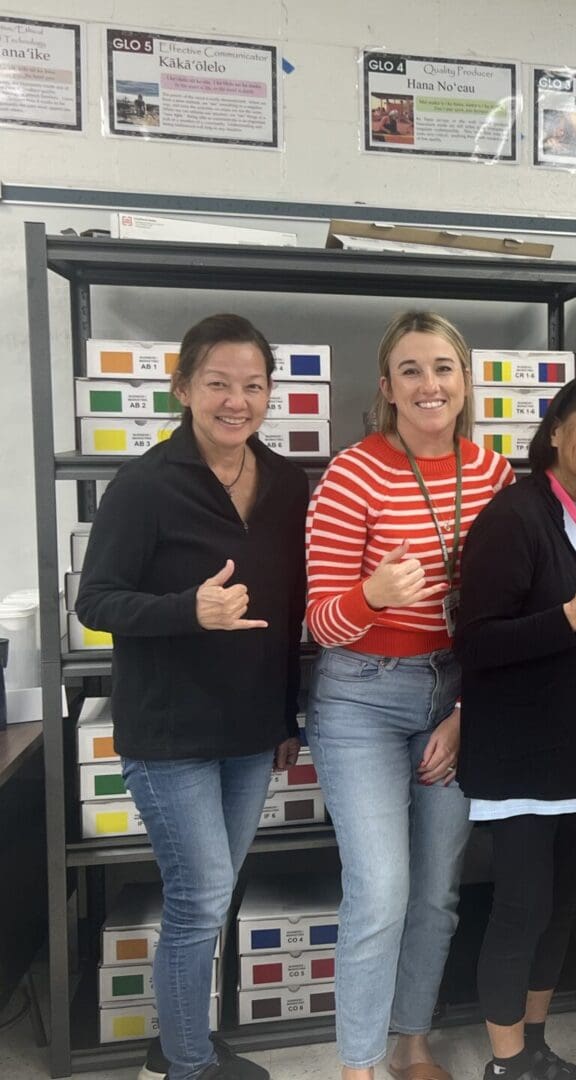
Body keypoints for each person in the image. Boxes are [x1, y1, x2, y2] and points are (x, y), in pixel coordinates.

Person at [76, 314, 308, 1080]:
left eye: (252, 385)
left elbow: (289, 608)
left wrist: (286, 718)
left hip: (248, 733)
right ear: (182, 389)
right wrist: (187, 609)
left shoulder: (284, 483)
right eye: (217, 384)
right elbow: (98, 602)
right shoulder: (144, 485)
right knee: (201, 896)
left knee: (211, 895)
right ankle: (184, 1063)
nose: (235, 401)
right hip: (170, 733)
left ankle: (175, 1044)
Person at [305, 311, 513, 1080]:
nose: (431, 385)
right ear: (387, 388)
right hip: (361, 697)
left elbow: (502, 612)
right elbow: (322, 623)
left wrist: (465, 713)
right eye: (413, 371)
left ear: (465, 383)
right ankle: (357, 1065)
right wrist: (375, 593)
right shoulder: (352, 473)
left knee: (437, 893)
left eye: (444, 369)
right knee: (380, 891)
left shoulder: (492, 474)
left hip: (457, 695)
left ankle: (410, 1042)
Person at [455, 374, 576, 1080]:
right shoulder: (515, 516)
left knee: (562, 904)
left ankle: (534, 1045)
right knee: (522, 908)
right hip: (522, 751)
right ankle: (505, 1064)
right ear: (557, 431)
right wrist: (572, 616)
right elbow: (475, 642)